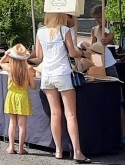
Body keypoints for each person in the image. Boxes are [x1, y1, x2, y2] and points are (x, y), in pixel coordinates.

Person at [31, 12, 90, 163]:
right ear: (60, 17)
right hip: (62, 74)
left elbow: (38, 56)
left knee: (55, 114)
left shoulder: (40, 31)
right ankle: (77, 152)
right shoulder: (64, 31)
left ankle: (58, 150)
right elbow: (72, 52)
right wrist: (83, 53)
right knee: (70, 114)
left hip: (47, 75)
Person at [0, 43, 35, 155]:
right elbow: (33, 86)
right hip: (22, 96)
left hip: (11, 95)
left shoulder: (10, 68)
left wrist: (6, 54)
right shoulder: (28, 69)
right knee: (22, 125)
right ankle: (20, 148)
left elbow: (1, 62)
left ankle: (11, 147)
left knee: (12, 122)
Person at [88, 5, 118, 78]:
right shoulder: (94, 29)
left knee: (114, 83)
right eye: (95, 18)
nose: (97, 20)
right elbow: (93, 46)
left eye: (99, 17)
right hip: (98, 61)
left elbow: (109, 38)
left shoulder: (107, 28)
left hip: (108, 62)